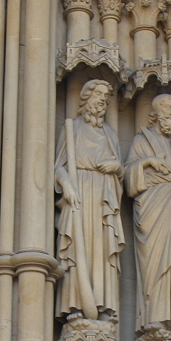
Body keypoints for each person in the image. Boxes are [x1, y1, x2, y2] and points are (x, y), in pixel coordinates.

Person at [125, 94, 171, 332]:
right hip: (154, 207)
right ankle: (154, 316)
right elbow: (127, 176)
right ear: (156, 116)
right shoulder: (142, 141)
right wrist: (147, 162)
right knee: (155, 262)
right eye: (168, 117)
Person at [55, 79, 124, 319]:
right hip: (79, 192)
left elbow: (121, 170)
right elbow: (59, 166)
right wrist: (67, 184)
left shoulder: (110, 134)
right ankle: (75, 305)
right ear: (87, 97)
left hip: (104, 196)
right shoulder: (72, 128)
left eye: (106, 97)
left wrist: (117, 167)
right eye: (99, 95)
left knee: (102, 251)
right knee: (78, 247)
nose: (103, 100)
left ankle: (103, 305)